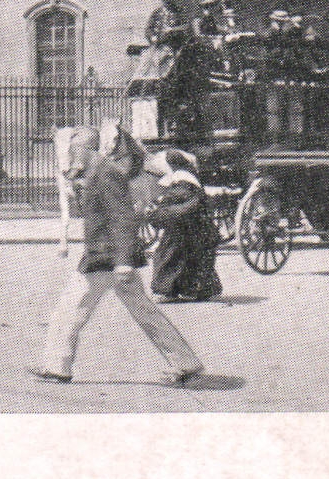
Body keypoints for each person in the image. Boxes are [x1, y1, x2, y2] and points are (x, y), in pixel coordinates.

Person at [31, 121, 205, 386]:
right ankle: (186, 363)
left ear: (86, 149)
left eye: (75, 150)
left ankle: (57, 367)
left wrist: (123, 263)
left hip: (107, 259)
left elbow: (122, 218)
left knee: (68, 310)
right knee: (145, 311)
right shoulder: (94, 172)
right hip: (110, 257)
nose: (71, 156)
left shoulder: (105, 173)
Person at [145, 150, 223, 303]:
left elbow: (181, 203)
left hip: (187, 227)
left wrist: (158, 209)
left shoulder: (183, 182)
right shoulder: (188, 178)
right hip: (192, 227)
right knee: (191, 257)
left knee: (169, 254)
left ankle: (167, 291)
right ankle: (194, 289)